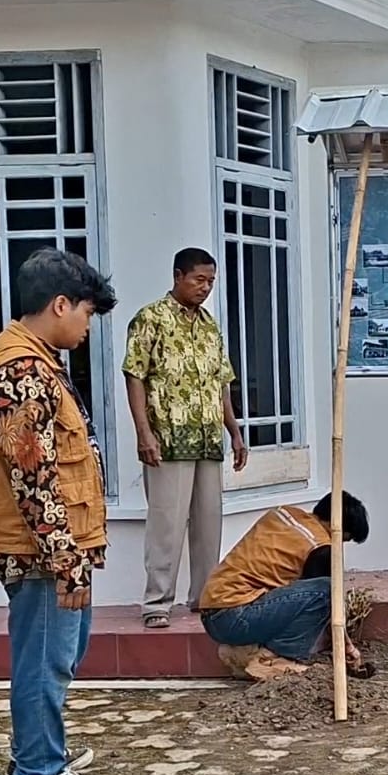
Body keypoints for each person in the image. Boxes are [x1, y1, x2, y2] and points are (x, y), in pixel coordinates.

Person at [0, 248, 119, 775]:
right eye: (87, 314)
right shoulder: (21, 371)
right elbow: (33, 478)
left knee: (56, 654)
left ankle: (36, 749)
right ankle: (39, 773)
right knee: (46, 658)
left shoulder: (35, 359)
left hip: (51, 542)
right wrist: (64, 555)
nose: (87, 326)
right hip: (42, 547)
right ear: (59, 304)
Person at [123, 247, 248, 628]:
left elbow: (222, 382)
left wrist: (235, 432)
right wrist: (144, 433)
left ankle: (205, 597)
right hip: (168, 441)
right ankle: (157, 603)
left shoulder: (210, 326)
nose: (206, 288)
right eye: (199, 280)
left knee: (209, 523)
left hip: (209, 438)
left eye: (211, 281)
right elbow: (135, 376)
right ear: (178, 276)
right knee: (167, 523)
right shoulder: (150, 319)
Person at [197, 491, 369, 681]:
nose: (340, 545)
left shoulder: (283, 513)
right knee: (327, 591)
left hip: (213, 615)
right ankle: (276, 659)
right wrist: (347, 647)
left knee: (298, 593)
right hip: (236, 616)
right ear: (340, 528)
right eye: (344, 539)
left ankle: (244, 653)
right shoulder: (320, 548)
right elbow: (329, 604)